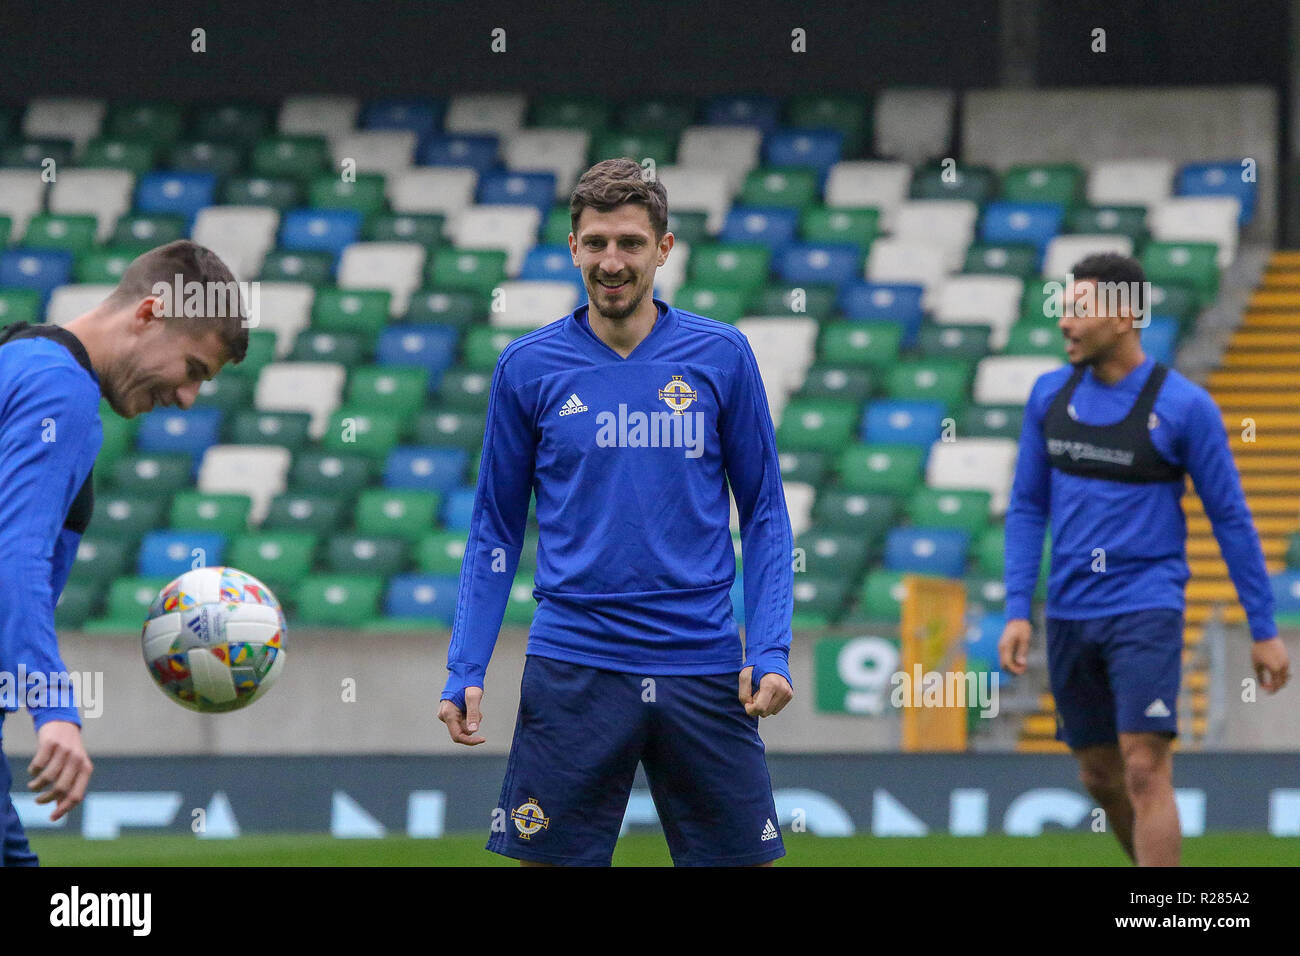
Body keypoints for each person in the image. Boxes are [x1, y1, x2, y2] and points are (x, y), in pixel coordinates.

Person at [437, 158, 795, 866]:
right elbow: (495, 532)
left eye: (631, 242)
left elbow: (765, 513)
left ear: (663, 249)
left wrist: (771, 646)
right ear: (572, 248)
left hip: (702, 665)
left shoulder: (721, 356)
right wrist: (465, 666)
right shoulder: (527, 368)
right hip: (575, 667)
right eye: (596, 242)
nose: (612, 260)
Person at [998, 252, 1290, 866]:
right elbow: (1027, 506)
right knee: (1100, 777)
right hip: (1072, 614)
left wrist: (1264, 629)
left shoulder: (1185, 408)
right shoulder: (1048, 396)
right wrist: (1018, 608)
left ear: (1126, 316)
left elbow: (1231, 518)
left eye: (1079, 310)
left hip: (1146, 606)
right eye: (1064, 310)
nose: (1065, 324)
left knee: (1142, 766)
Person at [0, 239, 247, 865]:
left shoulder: (19, 355)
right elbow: (16, 554)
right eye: (193, 369)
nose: (188, 398)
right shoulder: (63, 390)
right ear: (148, 314)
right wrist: (54, 706)